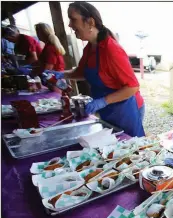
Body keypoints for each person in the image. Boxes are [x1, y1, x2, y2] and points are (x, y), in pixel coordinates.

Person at [59, 2, 145, 137]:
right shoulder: (90, 48)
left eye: (73, 19)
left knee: (131, 150)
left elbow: (132, 87)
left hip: (125, 110)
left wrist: (102, 101)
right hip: (107, 110)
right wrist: (60, 75)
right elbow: (81, 72)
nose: (69, 24)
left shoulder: (111, 49)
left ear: (90, 22)